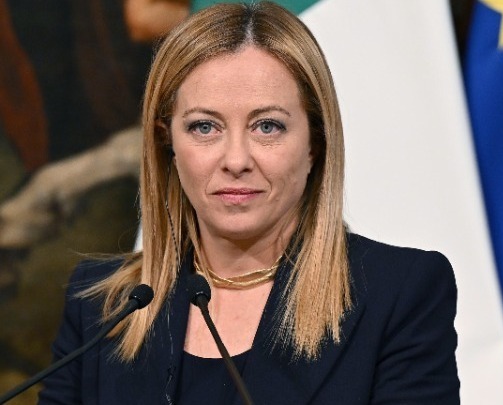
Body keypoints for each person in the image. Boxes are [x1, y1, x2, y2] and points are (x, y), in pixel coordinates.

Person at [38, 2, 459, 404]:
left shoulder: (397, 294)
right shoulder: (102, 306)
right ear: (167, 144)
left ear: (315, 143)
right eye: (205, 127)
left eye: (267, 126)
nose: (236, 160)